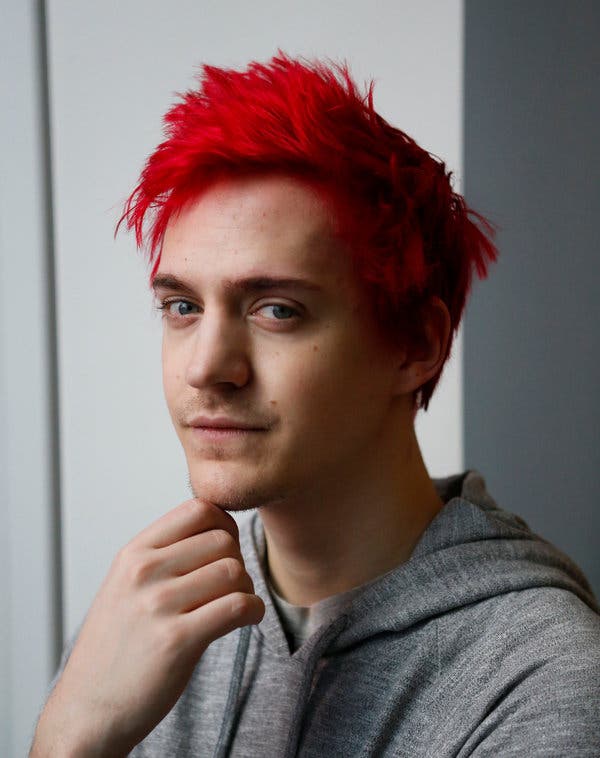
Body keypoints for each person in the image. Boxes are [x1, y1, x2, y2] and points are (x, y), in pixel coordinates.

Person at [31, 52, 599, 757]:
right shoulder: (140, 622)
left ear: (415, 344)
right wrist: (70, 738)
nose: (206, 367)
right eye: (182, 306)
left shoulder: (541, 679)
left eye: (276, 309)